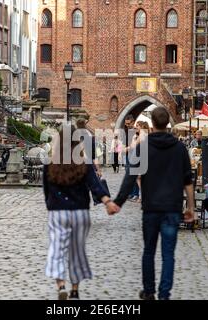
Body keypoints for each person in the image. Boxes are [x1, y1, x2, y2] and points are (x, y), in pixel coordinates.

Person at [111, 107, 195, 300]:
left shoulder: (143, 147)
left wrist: (118, 202)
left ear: (153, 123)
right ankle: (164, 294)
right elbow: (187, 181)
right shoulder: (180, 148)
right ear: (167, 124)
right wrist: (190, 208)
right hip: (172, 208)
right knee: (168, 254)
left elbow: (131, 177)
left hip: (151, 208)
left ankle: (149, 292)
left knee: (149, 251)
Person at [43, 125, 119, 300]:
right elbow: (95, 186)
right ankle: (75, 290)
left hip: (58, 212)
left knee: (56, 249)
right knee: (76, 251)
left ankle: (61, 285)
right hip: (79, 212)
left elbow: (46, 190)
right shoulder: (84, 163)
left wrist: (51, 206)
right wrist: (107, 202)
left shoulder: (50, 164)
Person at [123, 114, 140, 200]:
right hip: (127, 155)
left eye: (128, 123)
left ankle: (136, 193)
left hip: (134, 155)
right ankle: (130, 193)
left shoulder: (136, 131)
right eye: (126, 123)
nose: (127, 125)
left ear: (133, 122)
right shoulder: (125, 130)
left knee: (134, 175)